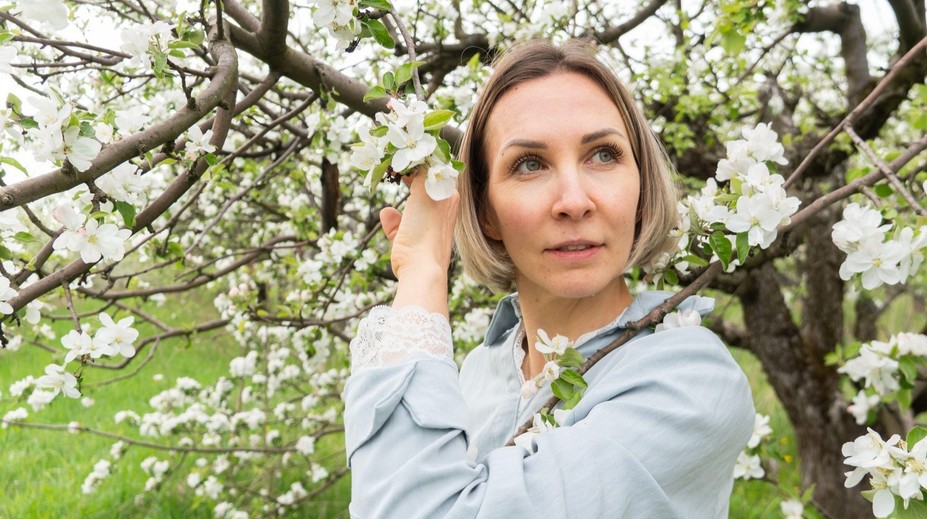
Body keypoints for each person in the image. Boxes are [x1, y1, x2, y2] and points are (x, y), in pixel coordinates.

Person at [343, 39, 755, 518]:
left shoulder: (692, 384)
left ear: (641, 189)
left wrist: (423, 271)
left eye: (604, 155)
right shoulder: (479, 372)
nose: (574, 201)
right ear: (486, 211)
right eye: (529, 164)